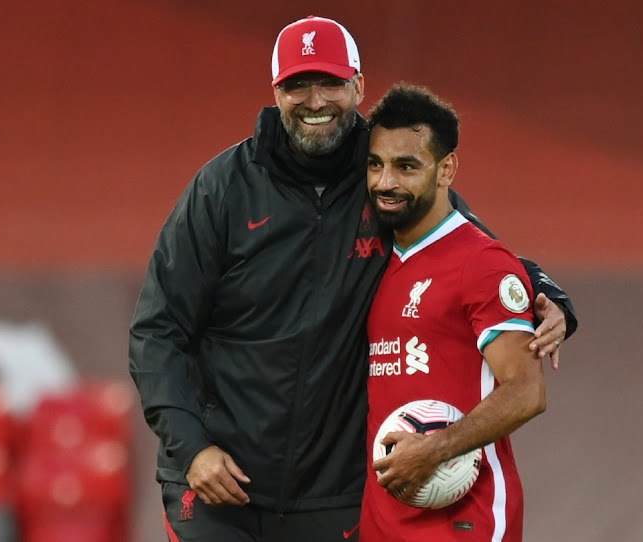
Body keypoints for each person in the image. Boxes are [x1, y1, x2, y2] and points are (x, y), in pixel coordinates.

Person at [128, 15, 577, 542]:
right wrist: (192, 447)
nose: (314, 100)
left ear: (358, 86)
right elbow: (157, 330)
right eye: (298, 85)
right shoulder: (222, 189)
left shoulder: (385, 173)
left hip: (332, 494)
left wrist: (548, 293)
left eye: (331, 84)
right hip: (217, 483)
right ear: (276, 91)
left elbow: (462, 242)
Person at [360, 84, 548, 541]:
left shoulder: (481, 262)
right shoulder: (375, 261)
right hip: (384, 520)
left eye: (407, 166)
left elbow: (527, 392)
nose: (386, 182)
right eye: (376, 164)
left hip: (465, 522)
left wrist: (433, 449)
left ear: (447, 169)